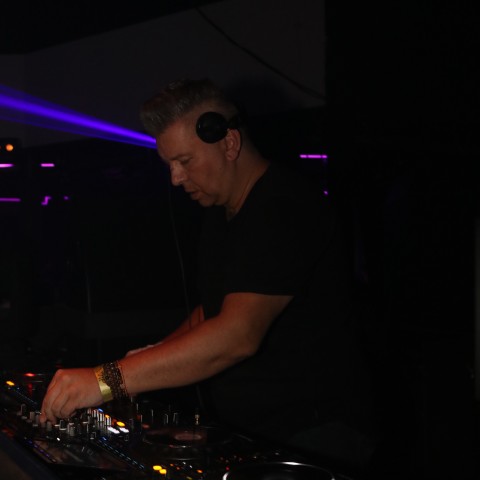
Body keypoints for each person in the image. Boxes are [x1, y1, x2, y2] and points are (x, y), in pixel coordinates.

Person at [40, 78, 377, 473]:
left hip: (315, 434)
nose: (175, 178)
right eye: (170, 164)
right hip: (258, 429)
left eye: (185, 161)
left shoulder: (284, 207)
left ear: (229, 143)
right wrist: (148, 357)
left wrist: (106, 380)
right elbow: (213, 309)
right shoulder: (223, 212)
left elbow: (237, 334)